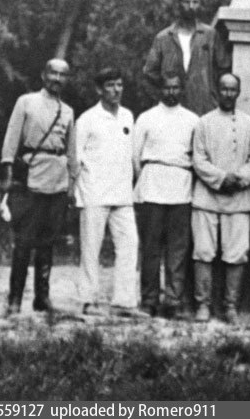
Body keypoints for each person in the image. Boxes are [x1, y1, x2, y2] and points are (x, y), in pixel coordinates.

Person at [0, 58, 75, 317]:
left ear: (67, 80)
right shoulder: (27, 102)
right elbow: (12, 137)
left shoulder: (68, 111)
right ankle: (14, 300)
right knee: (24, 241)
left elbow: (71, 151)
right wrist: (8, 170)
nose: (57, 79)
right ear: (44, 75)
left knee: (48, 242)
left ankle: (42, 298)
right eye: (53, 73)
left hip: (57, 180)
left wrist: (72, 183)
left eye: (62, 75)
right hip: (31, 178)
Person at [69, 68, 144, 317]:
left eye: (119, 85)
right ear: (99, 89)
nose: (116, 90)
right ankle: (88, 301)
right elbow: (75, 158)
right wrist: (73, 191)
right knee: (91, 249)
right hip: (94, 193)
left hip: (123, 194)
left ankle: (124, 302)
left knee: (129, 245)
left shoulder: (128, 116)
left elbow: (133, 156)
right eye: (110, 85)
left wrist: (138, 186)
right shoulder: (87, 119)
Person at [191, 72, 250, 324]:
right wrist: (221, 179)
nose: (228, 94)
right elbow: (198, 159)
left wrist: (238, 179)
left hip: (238, 198)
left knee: (237, 253)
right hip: (207, 197)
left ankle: (231, 306)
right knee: (203, 250)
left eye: (233, 89)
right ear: (217, 92)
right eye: (224, 89)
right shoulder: (204, 123)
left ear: (238, 92)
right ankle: (203, 304)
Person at [132, 74, 197, 318]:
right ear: (160, 90)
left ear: (182, 89)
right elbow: (135, 156)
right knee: (150, 248)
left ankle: (173, 300)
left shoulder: (192, 120)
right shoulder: (146, 118)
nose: (171, 92)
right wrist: (147, 179)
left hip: (181, 187)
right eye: (167, 88)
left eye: (176, 87)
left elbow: (196, 156)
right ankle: (149, 299)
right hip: (152, 186)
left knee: (177, 249)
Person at [143, 0, 231, 116]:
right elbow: (149, 72)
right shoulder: (164, 37)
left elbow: (224, 67)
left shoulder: (210, 35)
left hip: (204, 106)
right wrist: (164, 93)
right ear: (179, 4)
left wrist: (213, 95)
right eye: (187, 2)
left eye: (195, 2)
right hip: (172, 108)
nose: (191, 6)